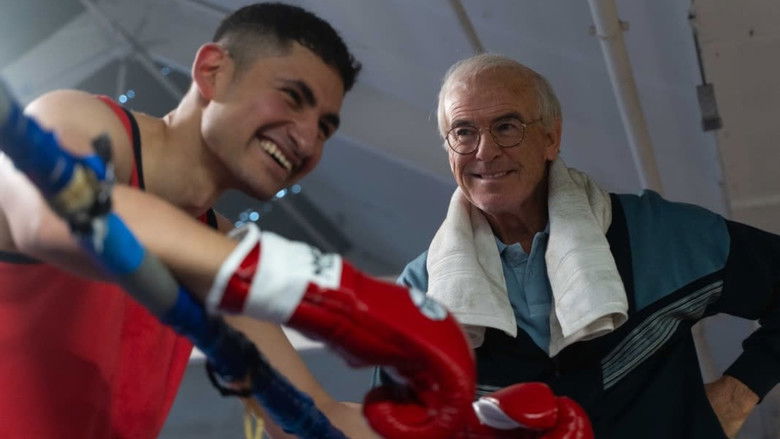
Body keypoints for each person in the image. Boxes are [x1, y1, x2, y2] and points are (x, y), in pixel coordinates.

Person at [0, 3, 387, 438]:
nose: (305, 139)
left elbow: (308, 415)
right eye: (293, 98)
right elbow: (57, 217)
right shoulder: (84, 122)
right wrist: (334, 288)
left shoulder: (216, 249)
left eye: (324, 129)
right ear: (212, 71)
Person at [382, 52, 780, 439]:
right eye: (464, 131)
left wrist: (736, 396)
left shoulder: (657, 235)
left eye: (506, 127)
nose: (484, 152)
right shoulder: (419, 293)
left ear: (551, 138)